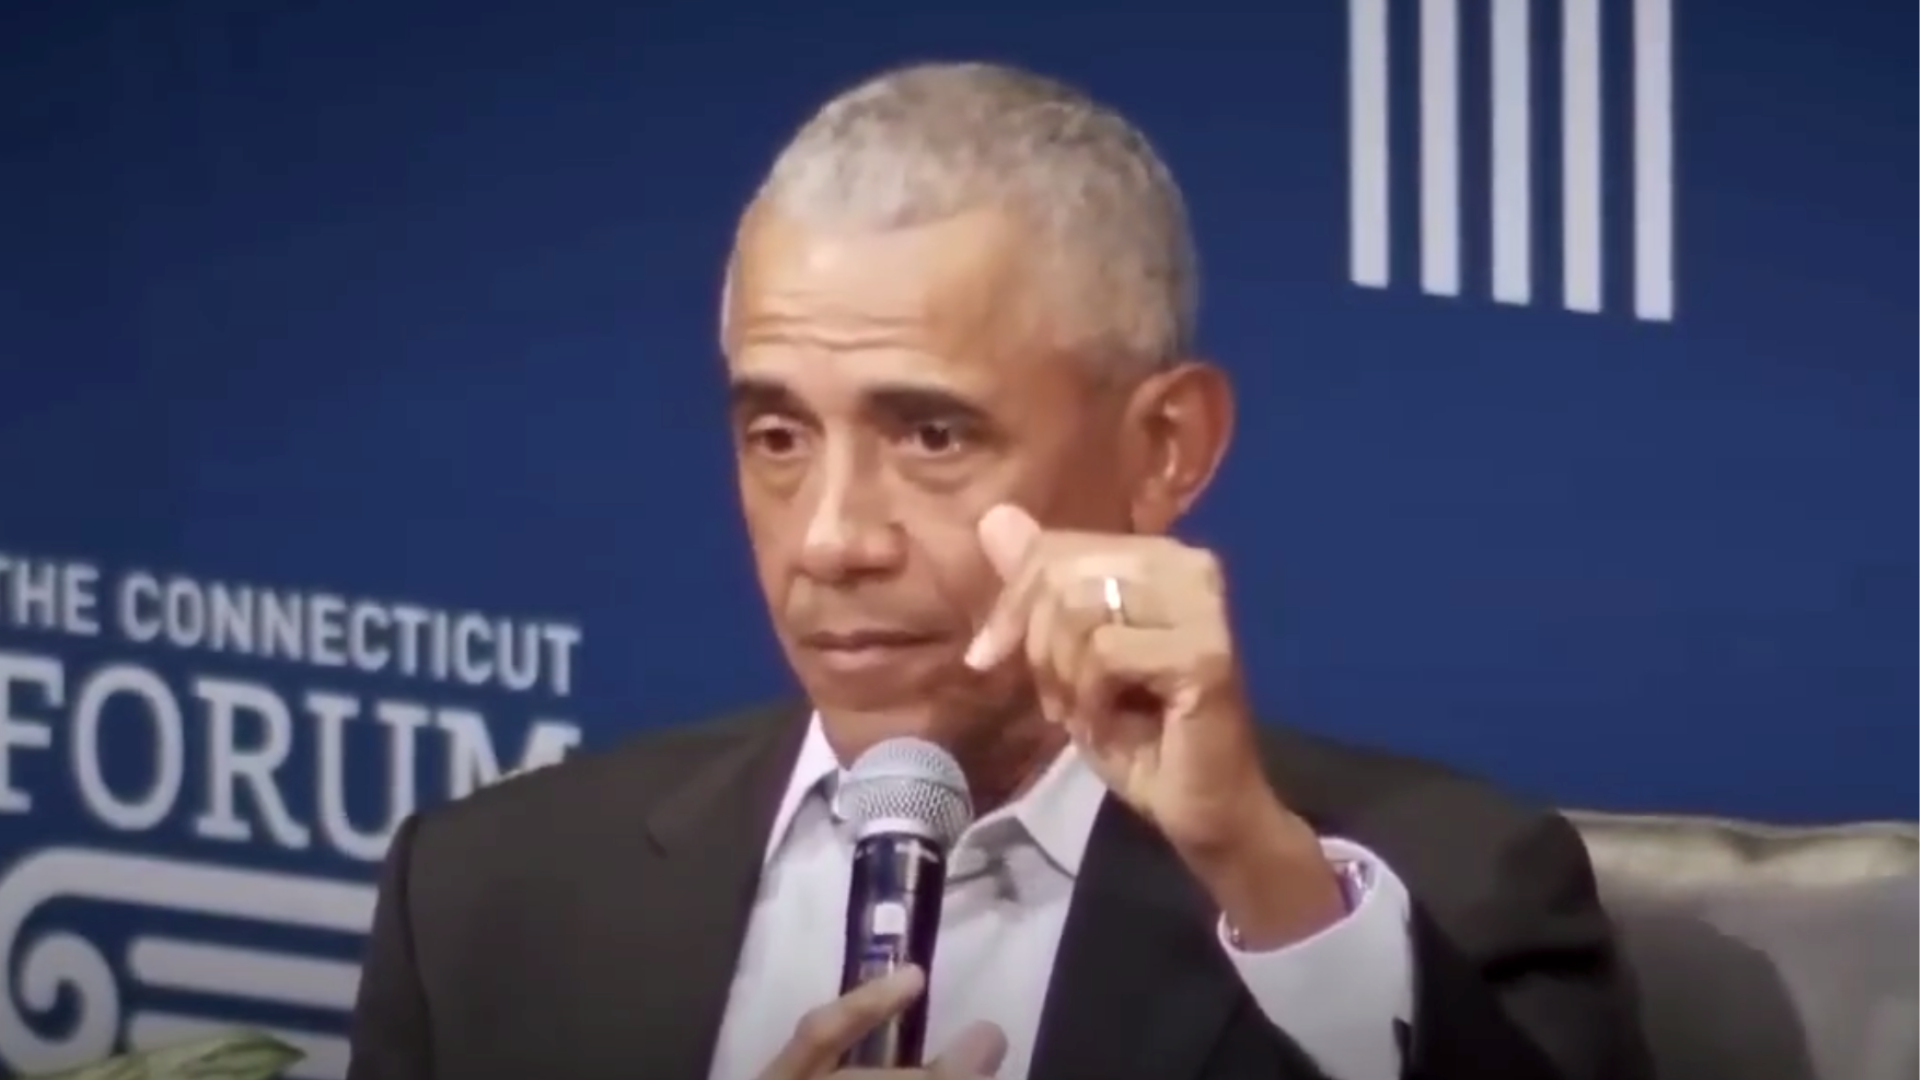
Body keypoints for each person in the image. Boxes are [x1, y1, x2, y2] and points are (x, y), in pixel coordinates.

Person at [344, 61, 1653, 1080]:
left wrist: (1260, 872)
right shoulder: (487, 899)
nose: (830, 539)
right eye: (777, 436)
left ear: (1164, 449)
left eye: (930, 434)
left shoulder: (1438, 896)